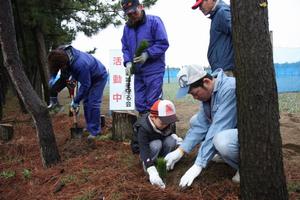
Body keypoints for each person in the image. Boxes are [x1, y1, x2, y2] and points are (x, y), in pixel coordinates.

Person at [164, 65, 239, 188]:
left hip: (255, 138)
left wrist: (198, 165)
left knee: (221, 140)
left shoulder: (229, 89)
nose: (195, 98)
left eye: (195, 93)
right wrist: (180, 150)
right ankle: (224, 155)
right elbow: (200, 125)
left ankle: (247, 167)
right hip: (234, 130)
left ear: (206, 82)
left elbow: (218, 127)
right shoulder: (210, 95)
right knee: (195, 121)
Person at [47, 45, 108, 140]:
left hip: (98, 77)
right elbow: (63, 73)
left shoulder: (80, 64)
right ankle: (90, 127)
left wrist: (76, 100)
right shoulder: (61, 54)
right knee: (86, 102)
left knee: (93, 103)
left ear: (64, 63)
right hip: (87, 75)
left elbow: (85, 85)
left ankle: (95, 132)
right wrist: (54, 79)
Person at [121, 0, 169, 115]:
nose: (132, 16)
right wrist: (127, 62)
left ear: (141, 7)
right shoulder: (127, 28)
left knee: (153, 103)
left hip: (154, 70)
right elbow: (125, 47)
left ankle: (157, 130)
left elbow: (163, 43)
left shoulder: (154, 22)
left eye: (134, 12)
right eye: (129, 14)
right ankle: (145, 128)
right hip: (138, 72)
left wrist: (148, 54)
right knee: (140, 103)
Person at [133, 99, 182, 189]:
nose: (166, 125)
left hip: (161, 142)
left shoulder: (168, 123)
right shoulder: (143, 127)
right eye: (163, 122)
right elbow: (144, 149)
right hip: (147, 150)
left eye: (169, 121)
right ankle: (150, 166)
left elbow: (170, 133)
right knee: (156, 144)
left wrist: (177, 139)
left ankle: (163, 163)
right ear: (152, 117)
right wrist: (151, 170)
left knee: (171, 141)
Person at [192, 0, 235, 76]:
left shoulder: (222, 12)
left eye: (201, 4)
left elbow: (236, 33)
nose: (200, 8)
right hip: (222, 69)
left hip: (226, 69)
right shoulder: (217, 14)